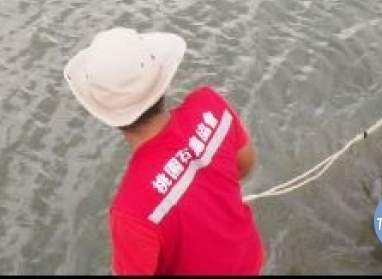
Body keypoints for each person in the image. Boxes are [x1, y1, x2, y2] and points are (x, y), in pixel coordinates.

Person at [63, 27, 265, 275]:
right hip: (249, 260)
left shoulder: (132, 210)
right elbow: (245, 164)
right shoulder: (210, 105)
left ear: (106, 112)